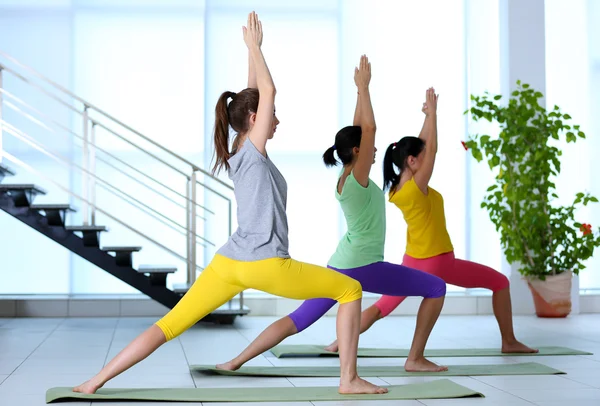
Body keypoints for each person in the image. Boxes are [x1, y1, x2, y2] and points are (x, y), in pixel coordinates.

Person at [73, 12, 387, 395]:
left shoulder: (240, 146)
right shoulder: (252, 149)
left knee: (169, 325)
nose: (277, 122)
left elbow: (252, 94)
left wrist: (251, 53)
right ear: (254, 120)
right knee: (350, 289)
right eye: (270, 118)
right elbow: (266, 93)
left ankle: (96, 381)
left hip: (228, 264)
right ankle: (348, 380)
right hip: (267, 263)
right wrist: (255, 48)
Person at [217, 57, 448, 374]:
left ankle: (236, 361)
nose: (374, 149)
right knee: (436, 288)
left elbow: (359, 130)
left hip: (340, 262)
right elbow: (368, 129)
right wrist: (366, 88)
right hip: (363, 266)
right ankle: (415, 358)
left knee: (297, 320)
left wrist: (357, 93)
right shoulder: (359, 177)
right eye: (367, 147)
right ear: (357, 151)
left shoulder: (346, 175)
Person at [326, 88, 537, 354]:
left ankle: (337, 343)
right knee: (500, 282)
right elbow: (432, 150)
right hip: (438, 261)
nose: (427, 161)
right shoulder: (417, 187)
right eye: (421, 159)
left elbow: (423, 147)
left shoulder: (397, 189)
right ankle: (508, 341)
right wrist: (434, 115)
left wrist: (426, 118)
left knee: (382, 307)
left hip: (413, 259)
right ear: (412, 161)